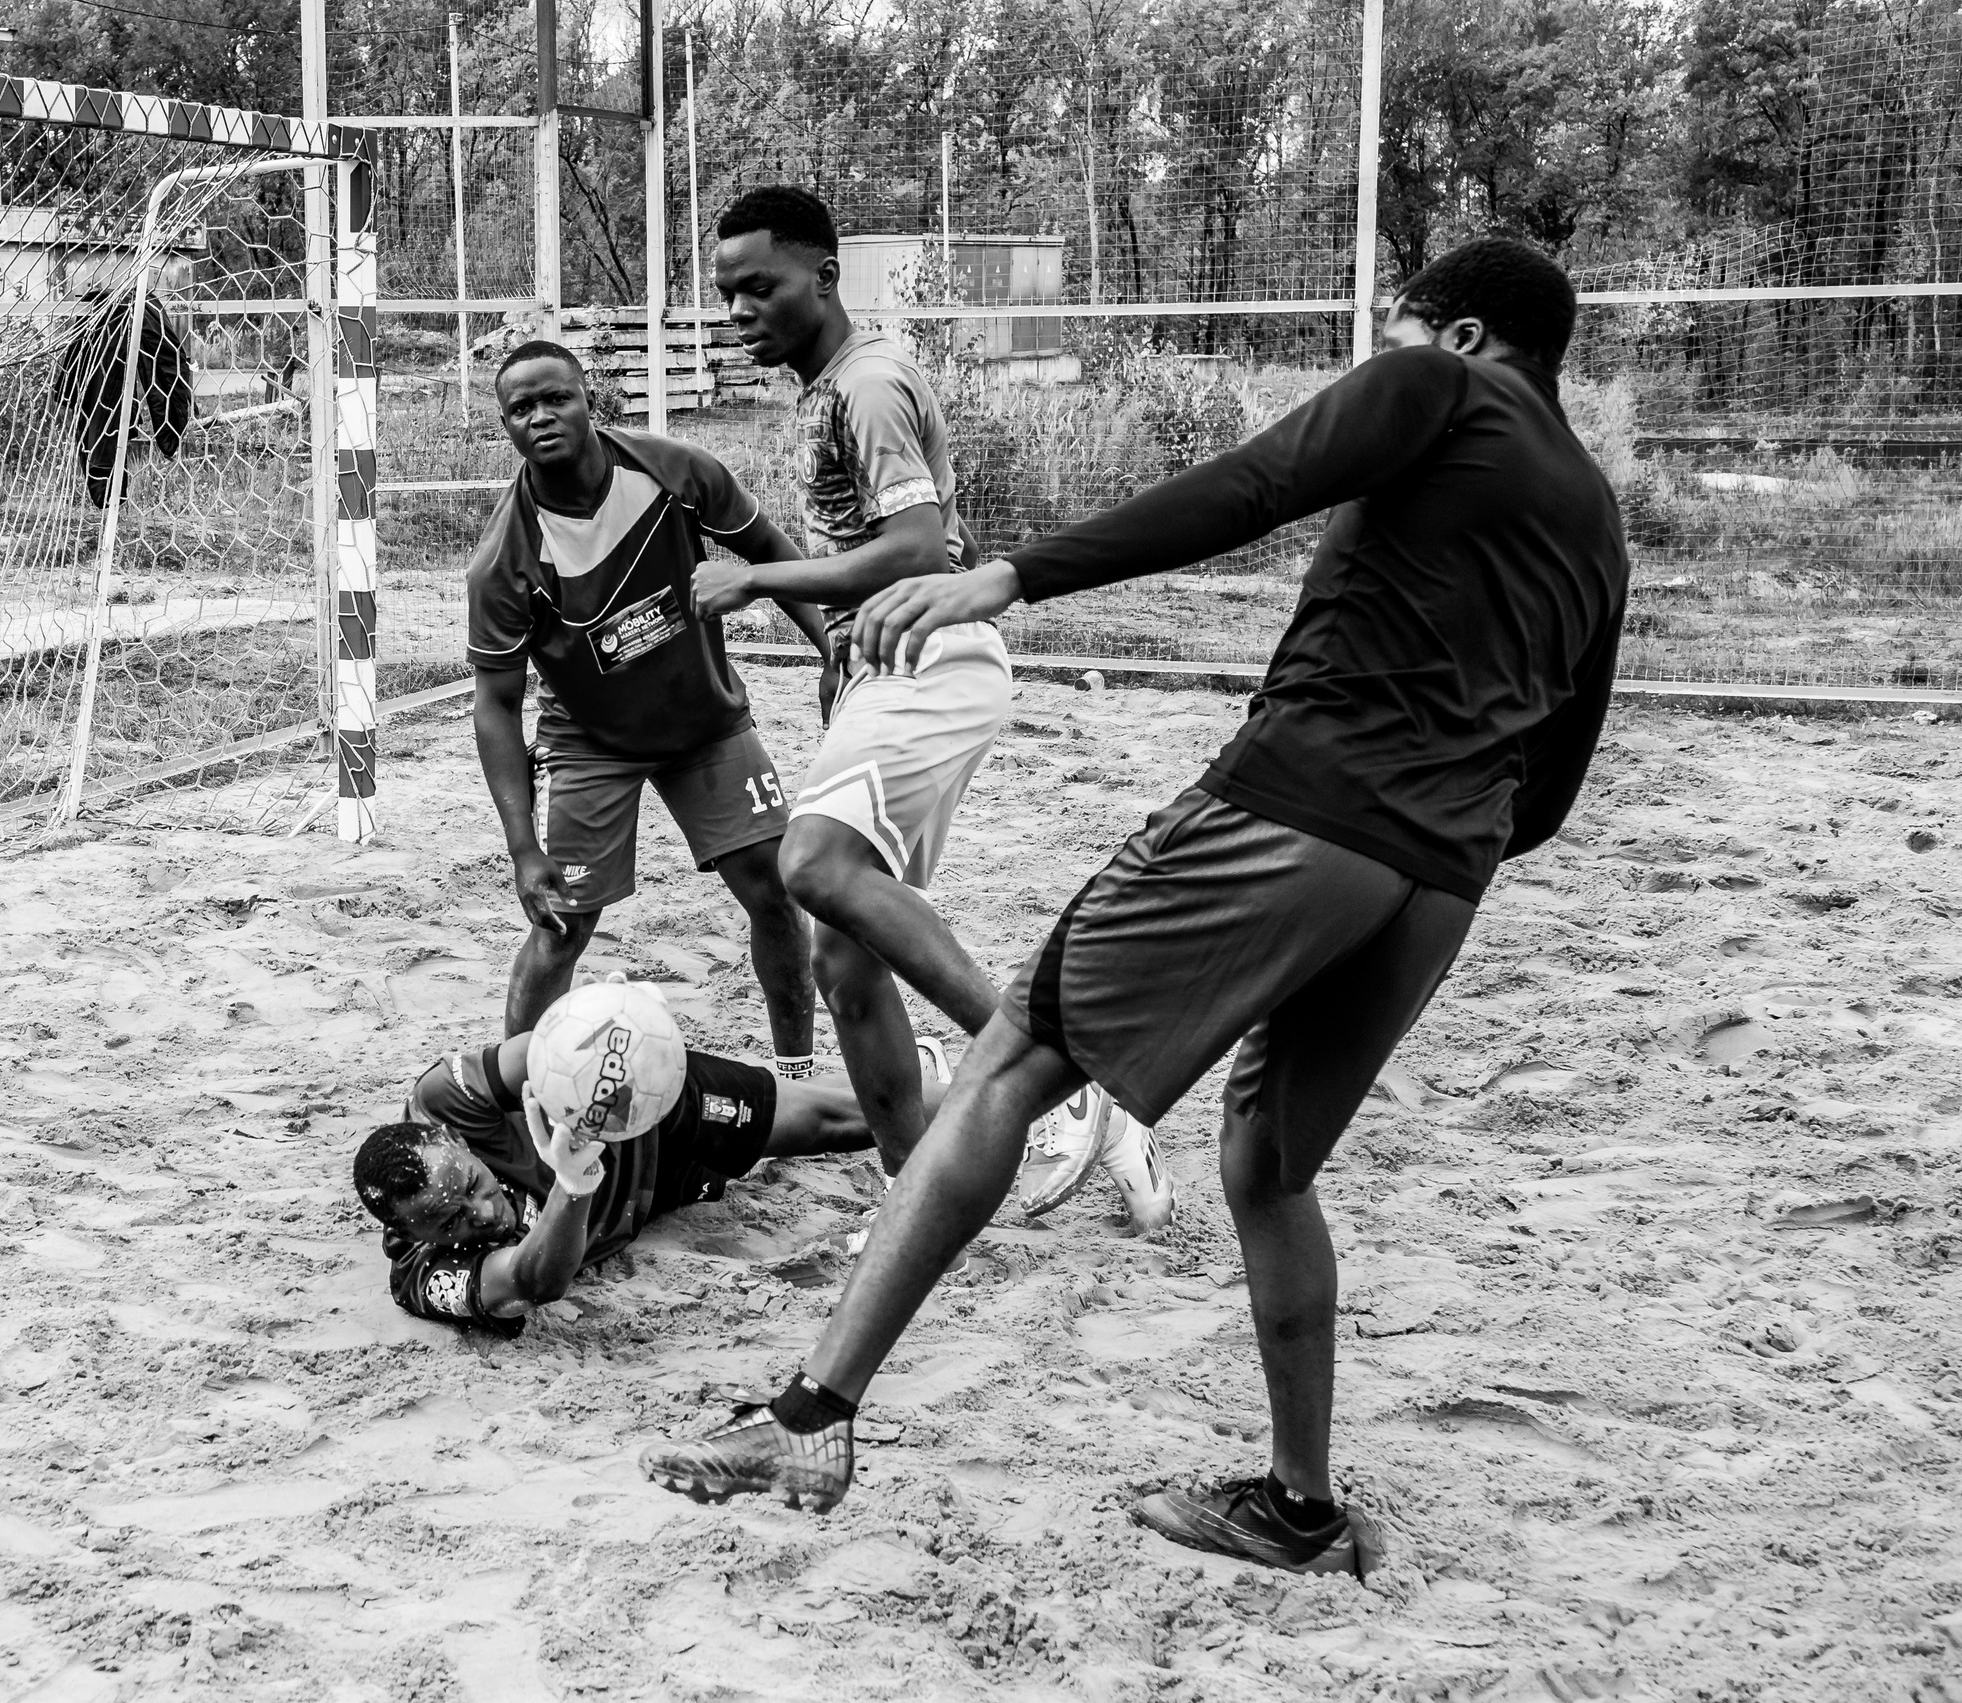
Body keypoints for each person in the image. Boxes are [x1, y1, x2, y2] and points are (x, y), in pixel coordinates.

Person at [641, 238, 1632, 1570]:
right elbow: (1551, 792)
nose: (1381, 359)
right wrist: (1429, 819)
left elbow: (1258, 483)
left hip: (1299, 806)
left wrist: (1011, 574)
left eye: (1394, 335)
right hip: (1439, 879)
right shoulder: (1598, 522)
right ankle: (1298, 1506)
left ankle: (807, 1414)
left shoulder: (1442, 388)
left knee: (1011, 1062)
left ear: (1457, 336)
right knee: (1268, 1166)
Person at [691, 186, 1160, 1225]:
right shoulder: (826, 388)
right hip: (893, 665)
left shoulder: (868, 383)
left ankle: (1065, 1085)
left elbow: (916, 550)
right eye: (726, 294)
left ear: (825, 277)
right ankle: (915, 1195)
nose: (739, 311)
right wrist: (841, 648)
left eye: (758, 286)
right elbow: (905, 546)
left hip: (934, 660)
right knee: (842, 952)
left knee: (811, 864)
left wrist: (756, 579)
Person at [468, 340, 829, 1066]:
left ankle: (797, 1074)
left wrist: (831, 649)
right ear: (506, 426)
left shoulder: (675, 471)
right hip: (590, 741)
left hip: (706, 723)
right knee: (562, 924)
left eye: (556, 398)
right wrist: (522, 849)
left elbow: (769, 549)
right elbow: (495, 707)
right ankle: (514, 1093)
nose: (541, 416)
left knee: (776, 892)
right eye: (521, 408)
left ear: (589, 401)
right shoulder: (504, 562)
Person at [353, 1014, 948, 1333]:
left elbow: (540, 1051)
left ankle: (985, 1100)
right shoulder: (424, 1276)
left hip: (639, 1107)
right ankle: (913, 1078)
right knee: (824, 1114)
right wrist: (573, 1184)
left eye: (472, 1187)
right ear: (411, 1234)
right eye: (452, 1222)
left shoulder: (445, 1100)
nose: (481, 1213)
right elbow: (534, 1284)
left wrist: (605, 1025)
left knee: (834, 1121)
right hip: (654, 1193)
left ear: (453, 1141)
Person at [56, 289, 191, 507]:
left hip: (106, 413)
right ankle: (106, 479)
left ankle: (108, 480)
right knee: (103, 404)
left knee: (106, 407)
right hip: (103, 409)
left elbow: (164, 367)